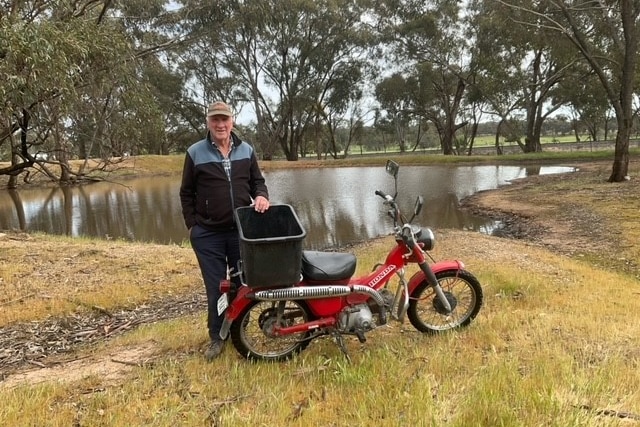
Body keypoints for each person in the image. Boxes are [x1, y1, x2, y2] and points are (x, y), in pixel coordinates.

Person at [179, 101, 270, 361]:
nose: (220, 125)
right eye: (215, 120)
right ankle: (217, 336)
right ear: (208, 122)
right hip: (208, 234)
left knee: (243, 283)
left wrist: (262, 197)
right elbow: (186, 193)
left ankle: (240, 329)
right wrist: (193, 226)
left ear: (232, 121)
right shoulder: (195, 152)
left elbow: (257, 183)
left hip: (240, 231)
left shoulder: (246, 150)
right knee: (218, 287)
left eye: (224, 120)